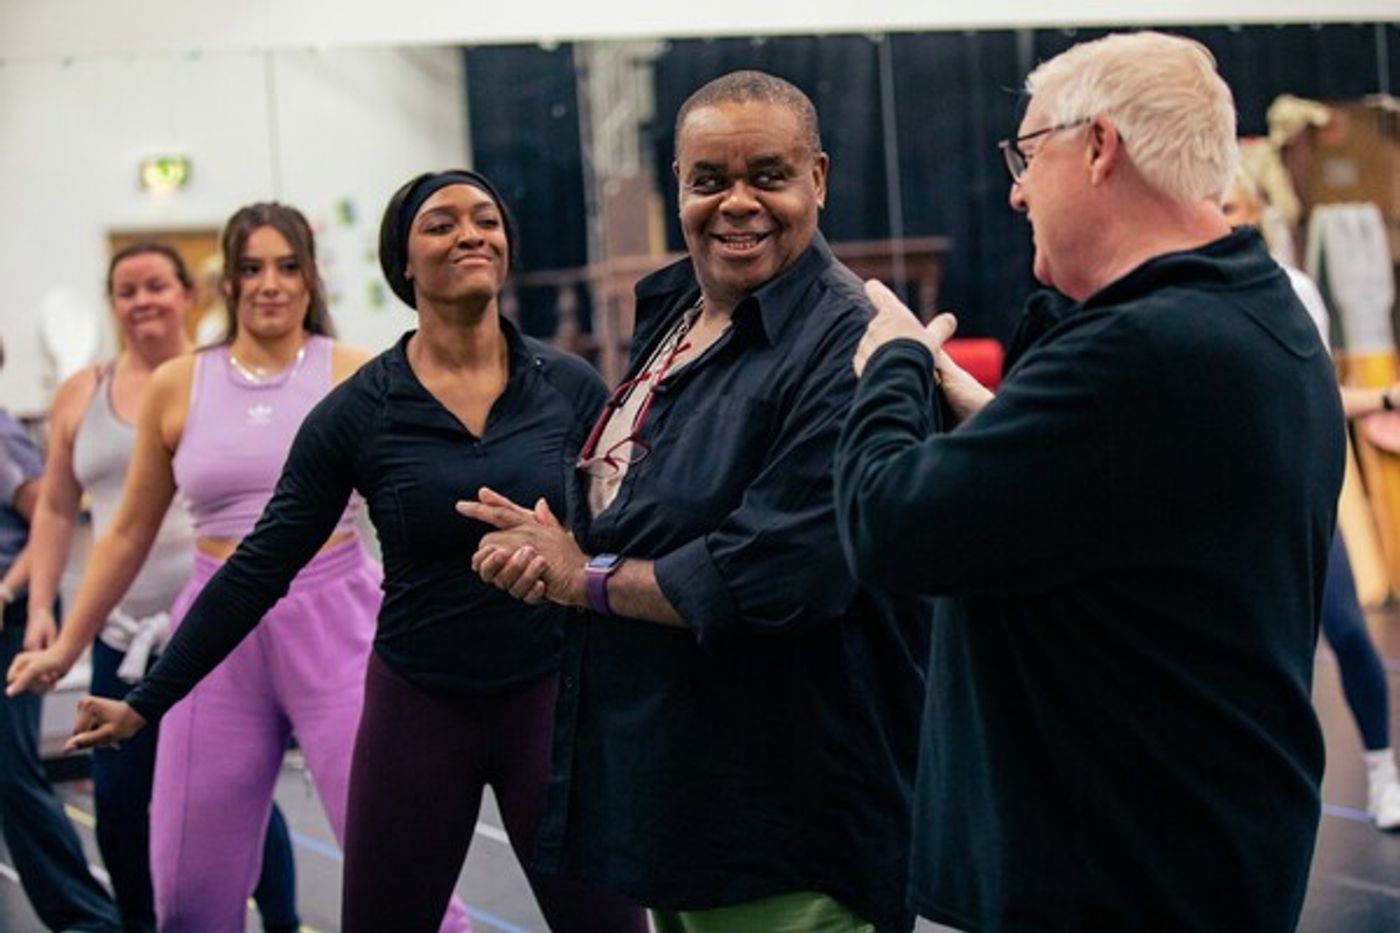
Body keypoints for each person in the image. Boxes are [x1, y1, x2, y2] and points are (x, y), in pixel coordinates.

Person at [16, 172, 643, 933]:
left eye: (485, 220)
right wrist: (145, 701)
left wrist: (575, 558)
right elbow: (257, 567)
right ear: (404, 262)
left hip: (547, 700)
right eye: (441, 224)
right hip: (420, 708)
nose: (470, 234)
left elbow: (629, 531)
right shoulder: (360, 409)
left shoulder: (570, 387)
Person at [834, 32, 1343, 932]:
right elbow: (1108, 504)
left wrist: (896, 367)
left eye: (1028, 155)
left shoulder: (1140, 353)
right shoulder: (1247, 312)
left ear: (1100, 147)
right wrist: (981, 410)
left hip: (1103, 881)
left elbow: (885, 522)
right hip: (1189, 855)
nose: (1017, 188)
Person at [461, 72, 931, 933]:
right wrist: (557, 545)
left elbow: (776, 571)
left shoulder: (848, 343)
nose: (737, 204)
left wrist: (583, 577)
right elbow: (660, 505)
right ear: (677, 184)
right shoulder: (675, 308)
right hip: (674, 799)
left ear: (819, 179)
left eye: (768, 175)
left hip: (790, 822)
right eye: (709, 180)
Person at [5, 203, 471, 933]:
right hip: (217, 632)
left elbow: (421, 503)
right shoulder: (181, 384)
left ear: (310, 276)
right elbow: (124, 531)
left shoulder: (356, 374)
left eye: (286, 266)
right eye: (251, 268)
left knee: (402, 870)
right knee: (189, 889)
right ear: (225, 282)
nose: (270, 285)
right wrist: (63, 644)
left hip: (337, 621)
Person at [20, 242, 302, 931]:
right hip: (123, 627)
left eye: (156, 285)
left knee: (237, 793)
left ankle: (282, 919)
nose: (142, 300)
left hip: (213, 622)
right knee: (118, 799)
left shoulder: (219, 377)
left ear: (187, 296)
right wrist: (41, 609)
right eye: (125, 289)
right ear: (111, 304)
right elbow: (57, 505)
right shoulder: (81, 393)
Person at [1222, 169, 1400, 831]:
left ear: (1260, 212)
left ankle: (1384, 771)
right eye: (1216, 206)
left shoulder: (1293, 290)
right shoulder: (1186, 294)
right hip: (1229, 509)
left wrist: (1383, 398)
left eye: (1235, 205)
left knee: (1348, 630)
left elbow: (1316, 395)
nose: (1227, 217)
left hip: (1293, 497)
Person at [0, 336, 123, 933]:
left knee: (10, 771)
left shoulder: (1, 437)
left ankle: (85, 916)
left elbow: (45, 518)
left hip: (10, 622)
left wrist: (10, 592)